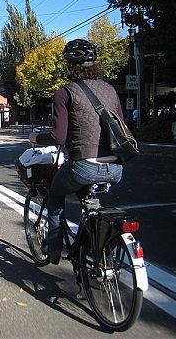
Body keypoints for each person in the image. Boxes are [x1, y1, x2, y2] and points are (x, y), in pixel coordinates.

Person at [29, 39, 124, 264]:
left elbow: (58, 137)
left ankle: (53, 248)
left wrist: (35, 138)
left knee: (56, 193)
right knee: (87, 197)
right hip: (115, 167)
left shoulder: (65, 93)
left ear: (69, 65)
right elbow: (122, 125)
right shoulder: (110, 90)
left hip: (84, 166)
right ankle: (94, 248)